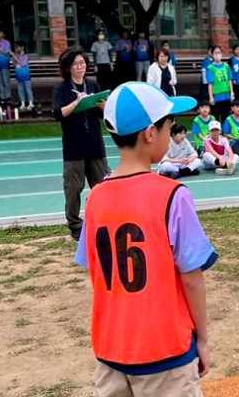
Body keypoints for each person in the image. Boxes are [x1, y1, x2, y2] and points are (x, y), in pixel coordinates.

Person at [75, 82, 215, 396]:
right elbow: (191, 276)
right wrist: (202, 340)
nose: (173, 132)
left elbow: (96, 271)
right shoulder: (172, 195)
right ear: (150, 133)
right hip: (165, 351)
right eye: (169, 125)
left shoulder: (96, 197)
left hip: (112, 348)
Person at [52, 46, 111, 241]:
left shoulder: (93, 85)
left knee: (103, 185)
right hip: (74, 145)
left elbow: (104, 114)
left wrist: (103, 106)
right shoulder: (61, 89)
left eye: (82, 63)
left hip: (94, 143)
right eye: (76, 63)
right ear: (68, 67)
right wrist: (76, 103)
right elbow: (58, 114)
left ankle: (104, 219)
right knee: (73, 187)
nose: (80, 67)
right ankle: (75, 224)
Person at [207, 45, 234, 123]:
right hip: (216, 96)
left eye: (219, 52)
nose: (218, 55)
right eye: (216, 53)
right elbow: (210, 83)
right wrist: (211, 97)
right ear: (212, 54)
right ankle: (217, 134)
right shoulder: (210, 68)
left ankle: (225, 134)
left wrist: (232, 93)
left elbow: (230, 80)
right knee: (216, 117)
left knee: (226, 117)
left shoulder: (226, 66)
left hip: (226, 95)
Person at [11, 41, 34, 111]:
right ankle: (22, 103)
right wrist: (13, 58)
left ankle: (30, 103)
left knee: (28, 89)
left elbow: (22, 64)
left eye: (17, 47)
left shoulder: (25, 56)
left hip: (25, 75)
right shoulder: (17, 56)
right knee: (20, 90)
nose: (16, 48)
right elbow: (15, 65)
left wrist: (14, 57)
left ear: (22, 47)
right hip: (19, 75)